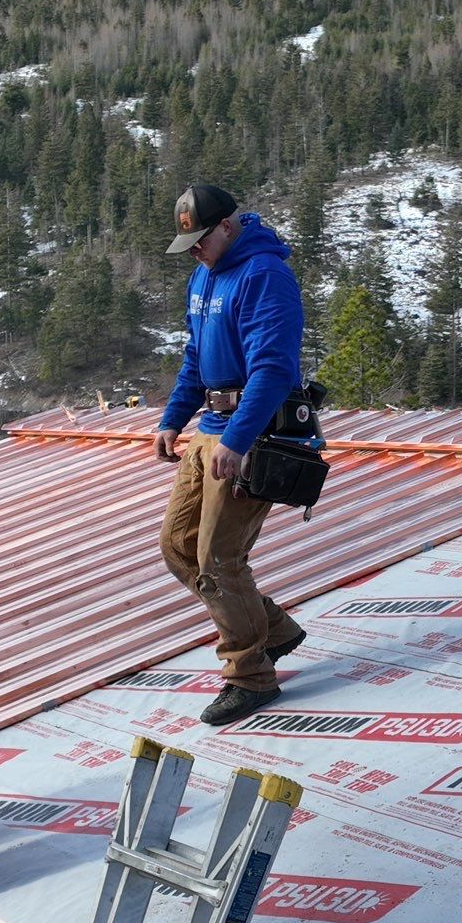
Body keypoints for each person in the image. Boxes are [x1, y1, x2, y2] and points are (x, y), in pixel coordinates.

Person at [154, 184, 315, 726]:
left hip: (255, 433)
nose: (194, 250)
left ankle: (250, 675)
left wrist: (237, 440)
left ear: (227, 226)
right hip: (210, 427)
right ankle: (273, 630)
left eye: (201, 239)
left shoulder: (265, 276)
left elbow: (273, 369)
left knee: (218, 560)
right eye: (189, 243)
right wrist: (173, 419)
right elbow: (195, 358)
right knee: (177, 546)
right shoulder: (205, 275)